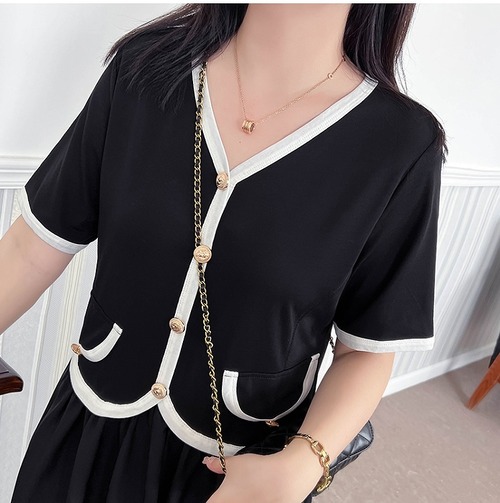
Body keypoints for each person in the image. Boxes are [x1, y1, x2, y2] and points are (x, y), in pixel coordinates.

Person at [1, 4, 447, 502]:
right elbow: (31, 247)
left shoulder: (401, 145)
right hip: (89, 432)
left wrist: (302, 464)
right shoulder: (143, 71)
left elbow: (364, 351)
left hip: (237, 476)